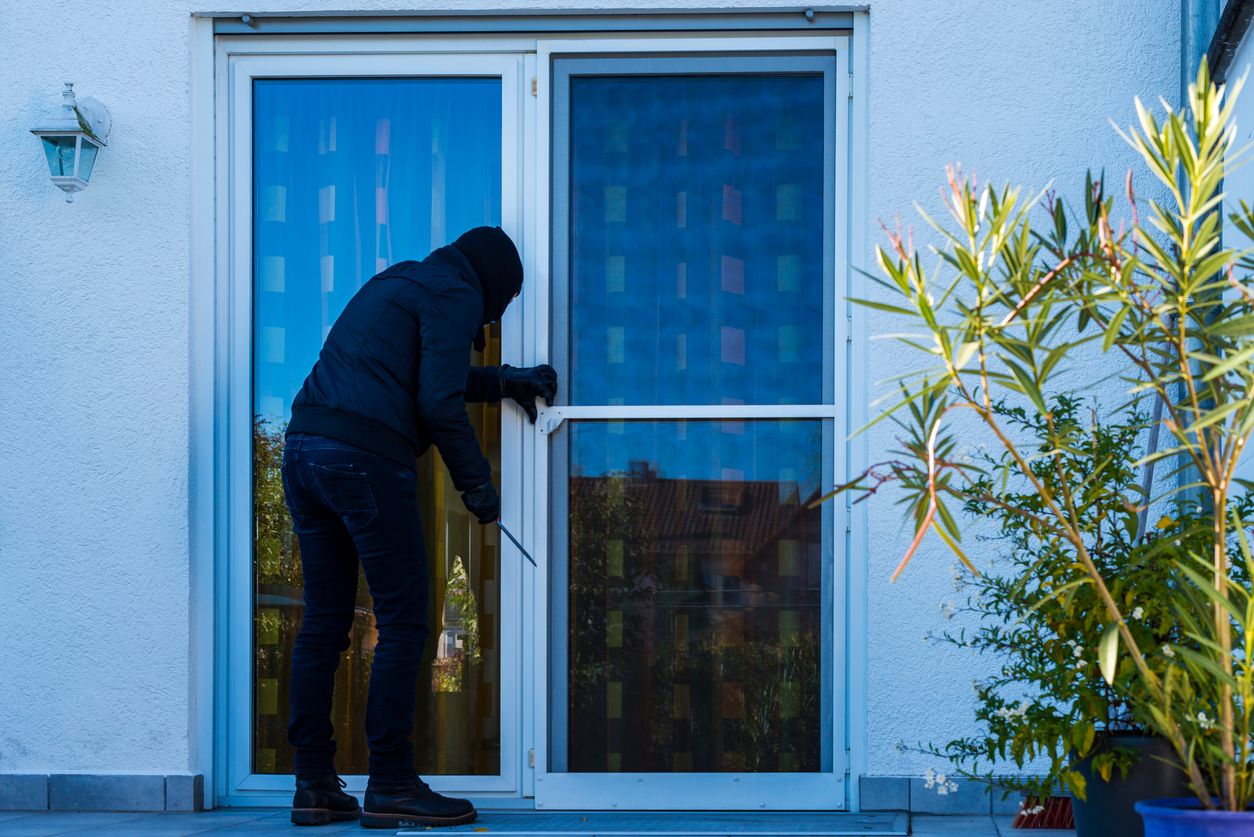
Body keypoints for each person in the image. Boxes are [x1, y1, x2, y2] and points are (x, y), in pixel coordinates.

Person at [279, 226, 556, 828]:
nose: (493, 318)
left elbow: (427, 376)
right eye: (503, 304)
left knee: (324, 623)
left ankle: (314, 784)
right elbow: (438, 402)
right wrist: (479, 489)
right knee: (404, 622)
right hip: (364, 457)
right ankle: (392, 783)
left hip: (303, 450)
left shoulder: (402, 280)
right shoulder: (457, 292)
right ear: (493, 285)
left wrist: (505, 381)